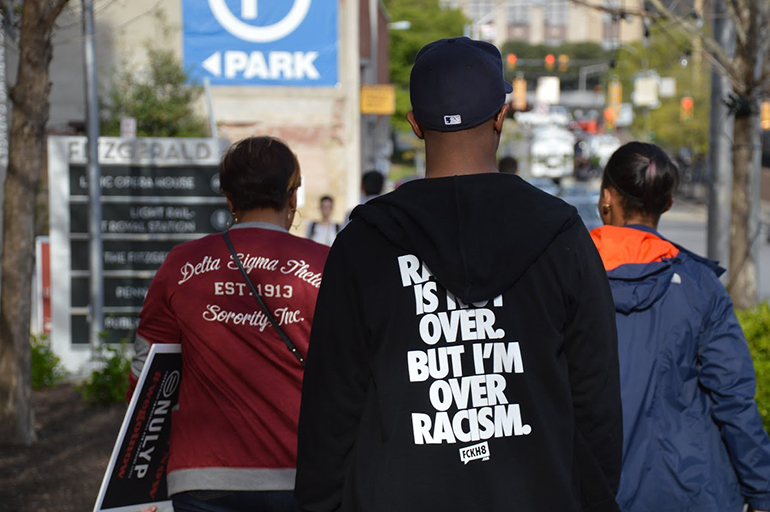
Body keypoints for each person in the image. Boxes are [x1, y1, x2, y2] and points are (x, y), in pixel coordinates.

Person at [296, 37, 622, 512]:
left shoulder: (364, 243)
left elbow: (331, 409)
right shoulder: (561, 235)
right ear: (500, 117)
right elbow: (596, 402)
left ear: (415, 126)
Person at [128, 136, 329, 512]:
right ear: (292, 197)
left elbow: (145, 374)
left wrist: (140, 476)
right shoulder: (327, 265)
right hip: (306, 475)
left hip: (203, 477)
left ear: (229, 199)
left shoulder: (181, 265)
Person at [589, 141, 770, 512]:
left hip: (595, 488)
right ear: (667, 203)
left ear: (606, 197)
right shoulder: (699, 286)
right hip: (694, 490)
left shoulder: (568, 277)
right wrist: (762, 492)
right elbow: (733, 399)